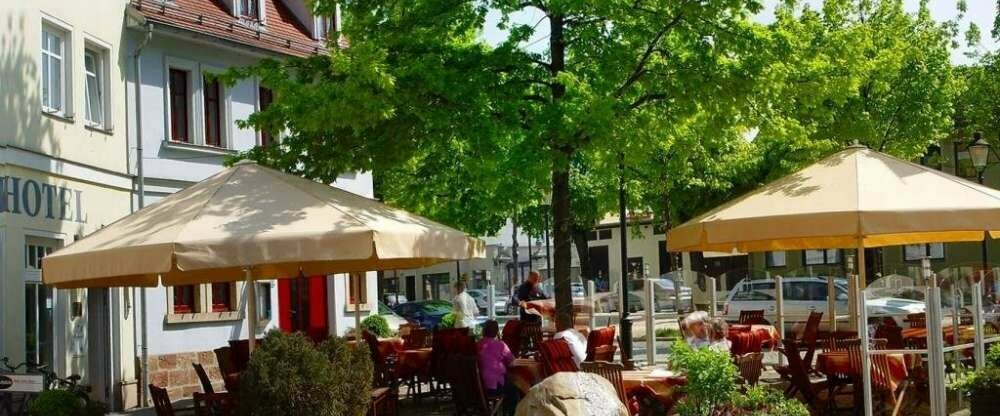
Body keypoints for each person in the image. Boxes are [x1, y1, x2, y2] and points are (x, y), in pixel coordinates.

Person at [477, 320, 514, 395]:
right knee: (514, 387)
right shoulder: (501, 345)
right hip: (495, 385)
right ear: (497, 332)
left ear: (484, 331)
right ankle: (510, 407)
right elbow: (512, 362)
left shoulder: (478, 344)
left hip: (479, 385)